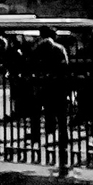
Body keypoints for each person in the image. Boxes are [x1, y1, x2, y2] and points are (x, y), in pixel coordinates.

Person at [29, 25, 69, 157]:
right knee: (61, 115)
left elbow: (31, 65)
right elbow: (65, 66)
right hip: (57, 86)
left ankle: (35, 138)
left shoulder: (37, 49)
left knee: (36, 114)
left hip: (41, 86)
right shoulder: (59, 49)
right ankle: (63, 139)